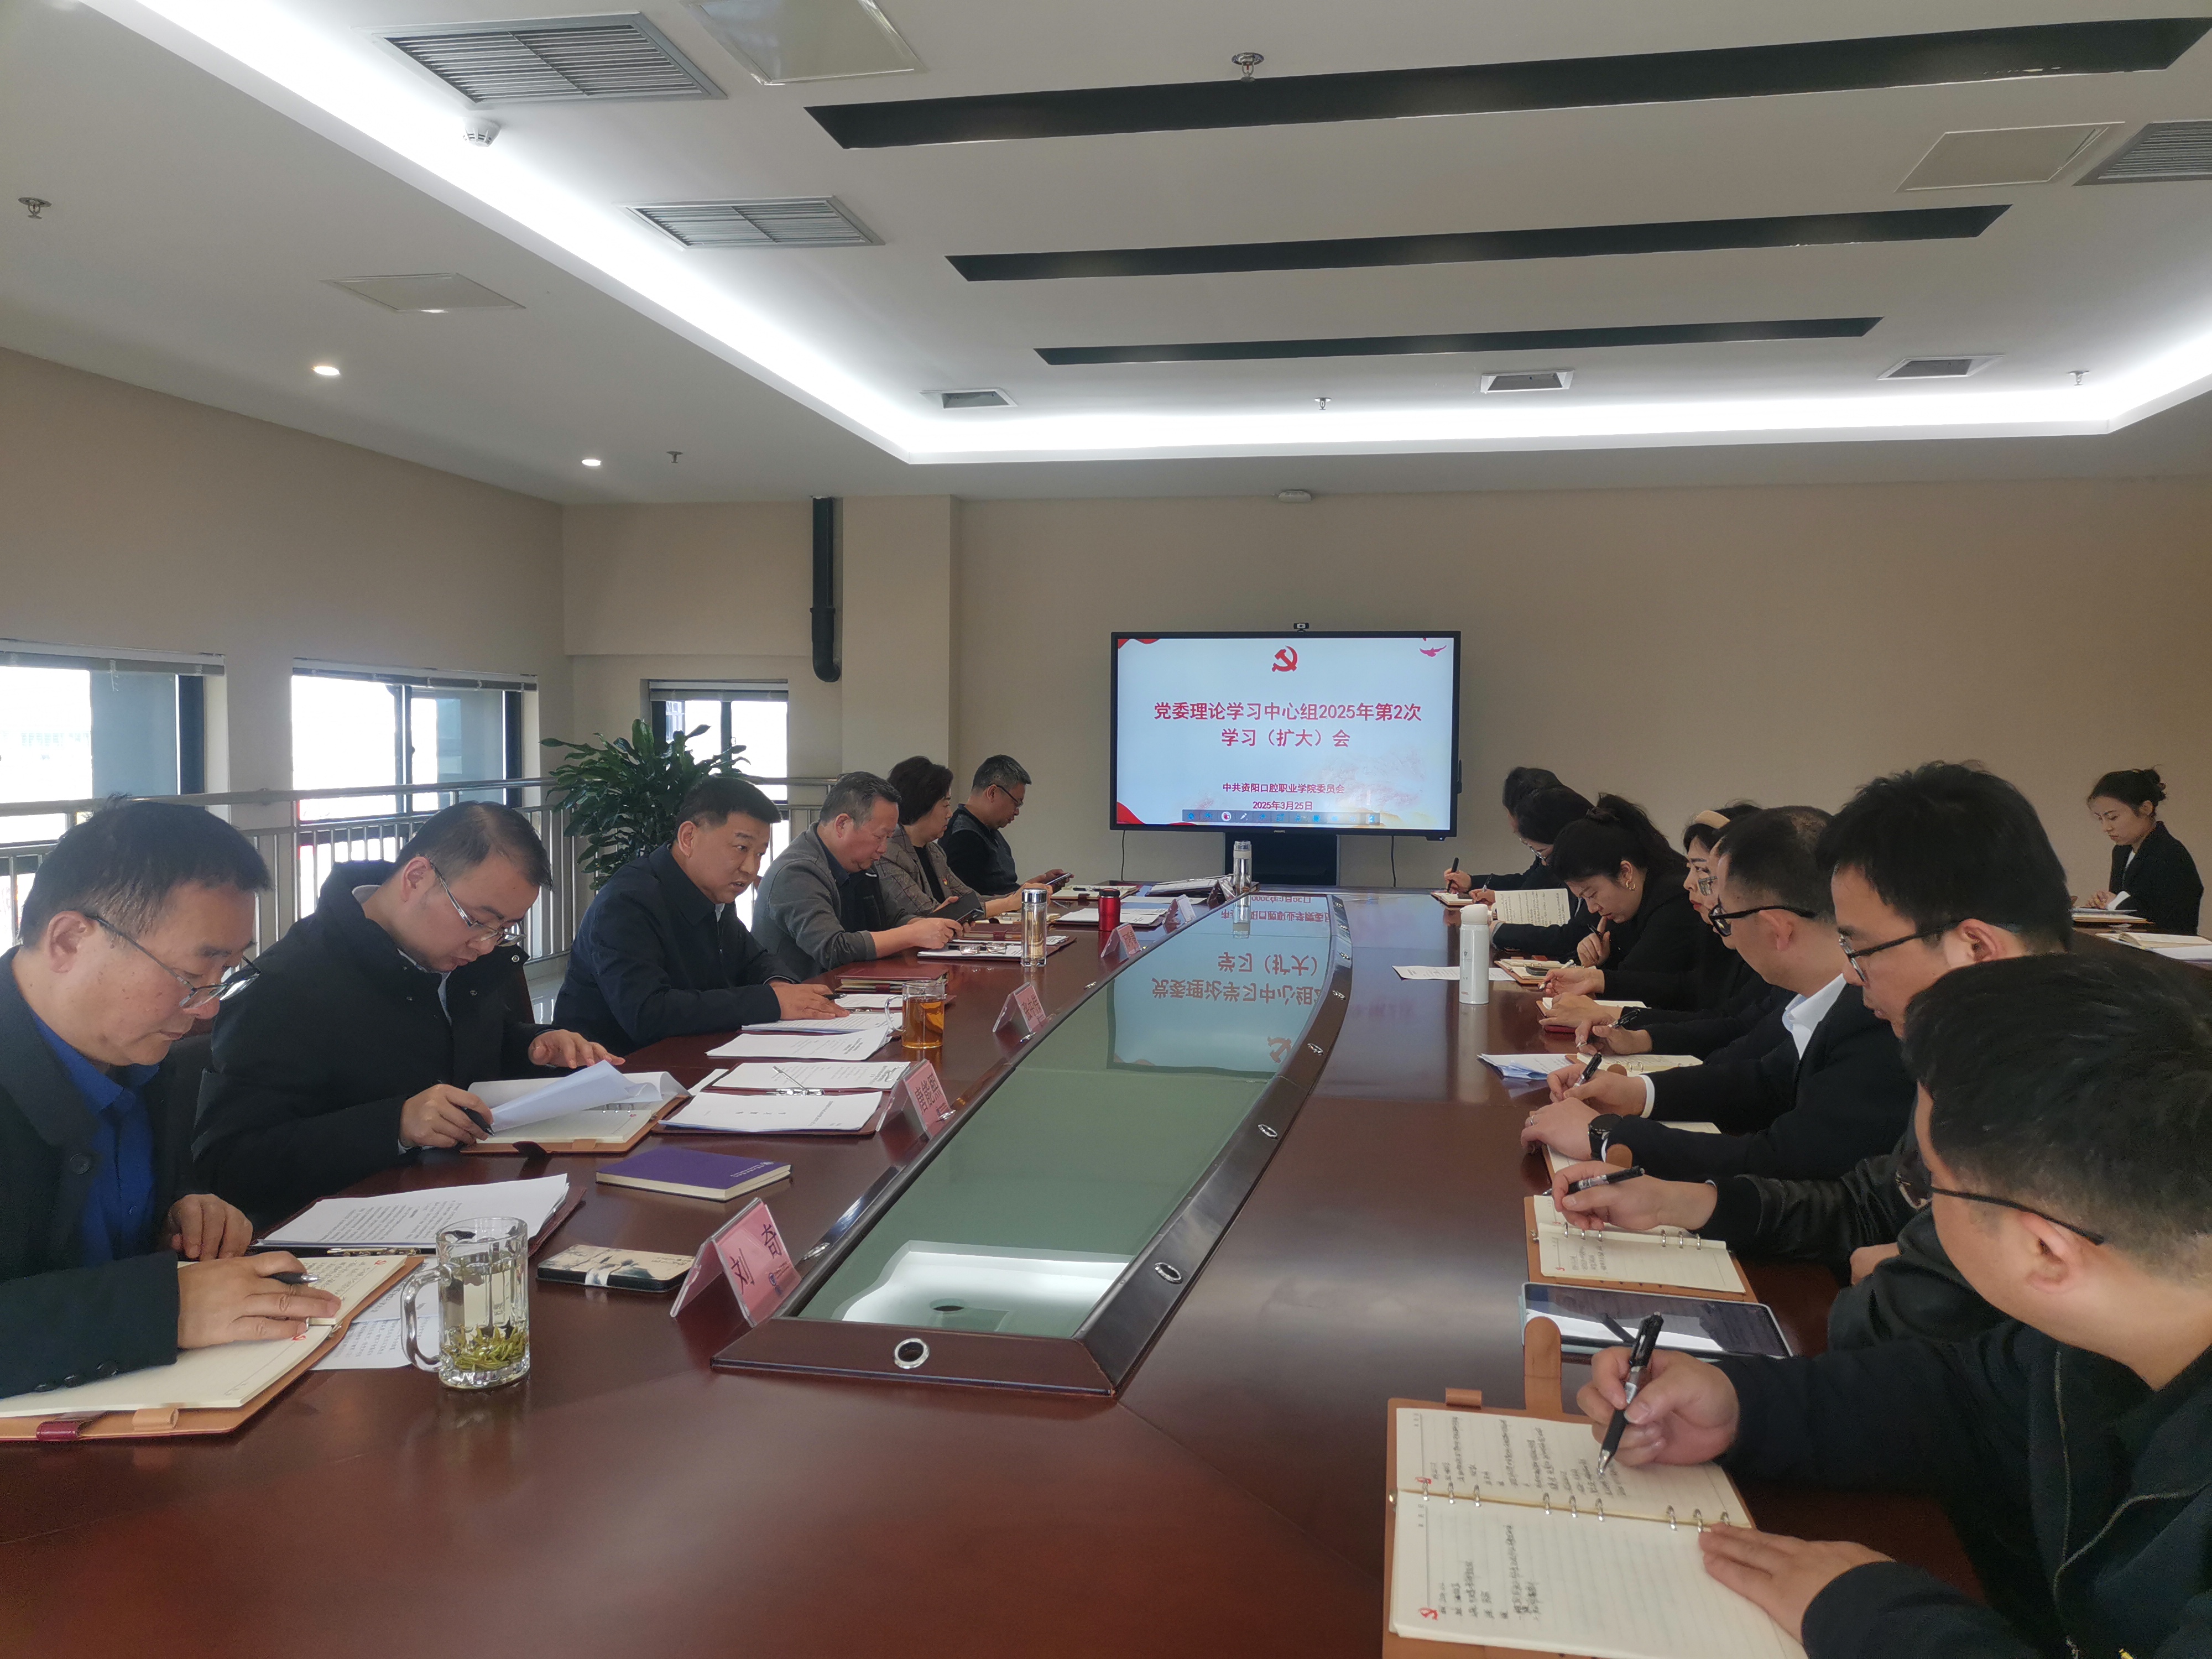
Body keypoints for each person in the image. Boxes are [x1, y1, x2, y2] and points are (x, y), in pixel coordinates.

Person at [1576, 950, 2212, 1659]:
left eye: (1927, 1181)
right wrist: (1739, 1404)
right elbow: (1968, 1400)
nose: (1915, 1208)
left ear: (2045, 1251)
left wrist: (1872, 1615)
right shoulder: (2105, 1334)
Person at [1549, 761, 2077, 1348]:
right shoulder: (1966, 1049)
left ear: (1974, 949)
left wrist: (1898, 1282)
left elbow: (1964, 1353)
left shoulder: (2077, 1104)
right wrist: (1679, 1201)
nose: (1848, 974)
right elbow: (1865, 1203)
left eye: (1861, 947)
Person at [2, 802, 340, 1397]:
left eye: (226, 972)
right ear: (69, 939)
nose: (208, 1007)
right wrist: (166, 1305)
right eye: (190, 976)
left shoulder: (137, 1054)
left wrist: (176, 1214)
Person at [196, 803, 616, 1224]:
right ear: (416, 878)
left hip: (473, 1200)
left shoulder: (460, 956)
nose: (487, 945)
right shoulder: (284, 987)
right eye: (477, 921)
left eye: (503, 929)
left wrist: (533, 1047)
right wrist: (394, 1126)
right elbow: (229, 1163)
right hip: (354, 1233)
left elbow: (465, 1048)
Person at [1522, 806, 1912, 1183]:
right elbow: (1764, 1083)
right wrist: (1634, 1092)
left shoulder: (1874, 1016)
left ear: (1777, 930)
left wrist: (1608, 1137)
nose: (1716, 924)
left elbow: (1784, 1160)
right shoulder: (1829, 995)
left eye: (1724, 916)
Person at [554, 775, 843, 1052]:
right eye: (741, 848)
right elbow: (648, 1013)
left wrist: (778, 985)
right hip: (617, 1070)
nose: (750, 868)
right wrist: (771, 1002)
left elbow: (753, 959)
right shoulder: (626, 903)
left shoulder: (713, 890)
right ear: (689, 837)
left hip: (689, 1054)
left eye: (759, 854)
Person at [752, 772, 963, 980]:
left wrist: (931, 924)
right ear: (842, 825)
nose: (883, 849)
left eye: (888, 838)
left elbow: (893, 917)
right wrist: (913, 934)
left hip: (855, 986)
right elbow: (834, 949)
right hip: (808, 993)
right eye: (879, 837)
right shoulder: (796, 872)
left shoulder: (860, 864)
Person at [1527, 795, 1702, 995]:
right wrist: (1597, 960)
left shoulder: (1676, 900)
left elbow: (1639, 984)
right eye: (1583, 899)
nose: (1592, 909)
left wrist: (1597, 976)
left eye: (1591, 894)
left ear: (1626, 873)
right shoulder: (1627, 903)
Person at [876, 757, 1021, 924]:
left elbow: (970, 899)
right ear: (923, 805)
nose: (950, 814)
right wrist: (1009, 903)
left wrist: (1018, 898)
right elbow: (931, 913)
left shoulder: (935, 852)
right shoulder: (890, 854)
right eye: (945, 805)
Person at [1487, 784, 1599, 960]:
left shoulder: (1596, 870)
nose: (1545, 863)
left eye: (1544, 853)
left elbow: (1573, 937)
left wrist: (1503, 932)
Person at [2088, 765, 2201, 933]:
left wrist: (2116, 902)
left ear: (2146, 808)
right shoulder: (2121, 852)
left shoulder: (2170, 854)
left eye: (2113, 817)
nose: (2106, 828)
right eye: (2101, 819)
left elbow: (2167, 918)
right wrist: (2104, 902)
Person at [1439, 765, 1567, 899]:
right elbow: (1525, 881)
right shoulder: (1551, 838)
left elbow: (1531, 893)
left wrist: (1501, 900)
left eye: (1508, 813)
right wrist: (1472, 882)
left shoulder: (1558, 850)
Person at [942, 755, 1055, 899]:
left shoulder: (988, 829)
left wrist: (1032, 887)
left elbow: (1000, 890)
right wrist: (1021, 895)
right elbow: (970, 903)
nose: (1017, 811)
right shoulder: (963, 837)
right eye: (1016, 803)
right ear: (992, 793)